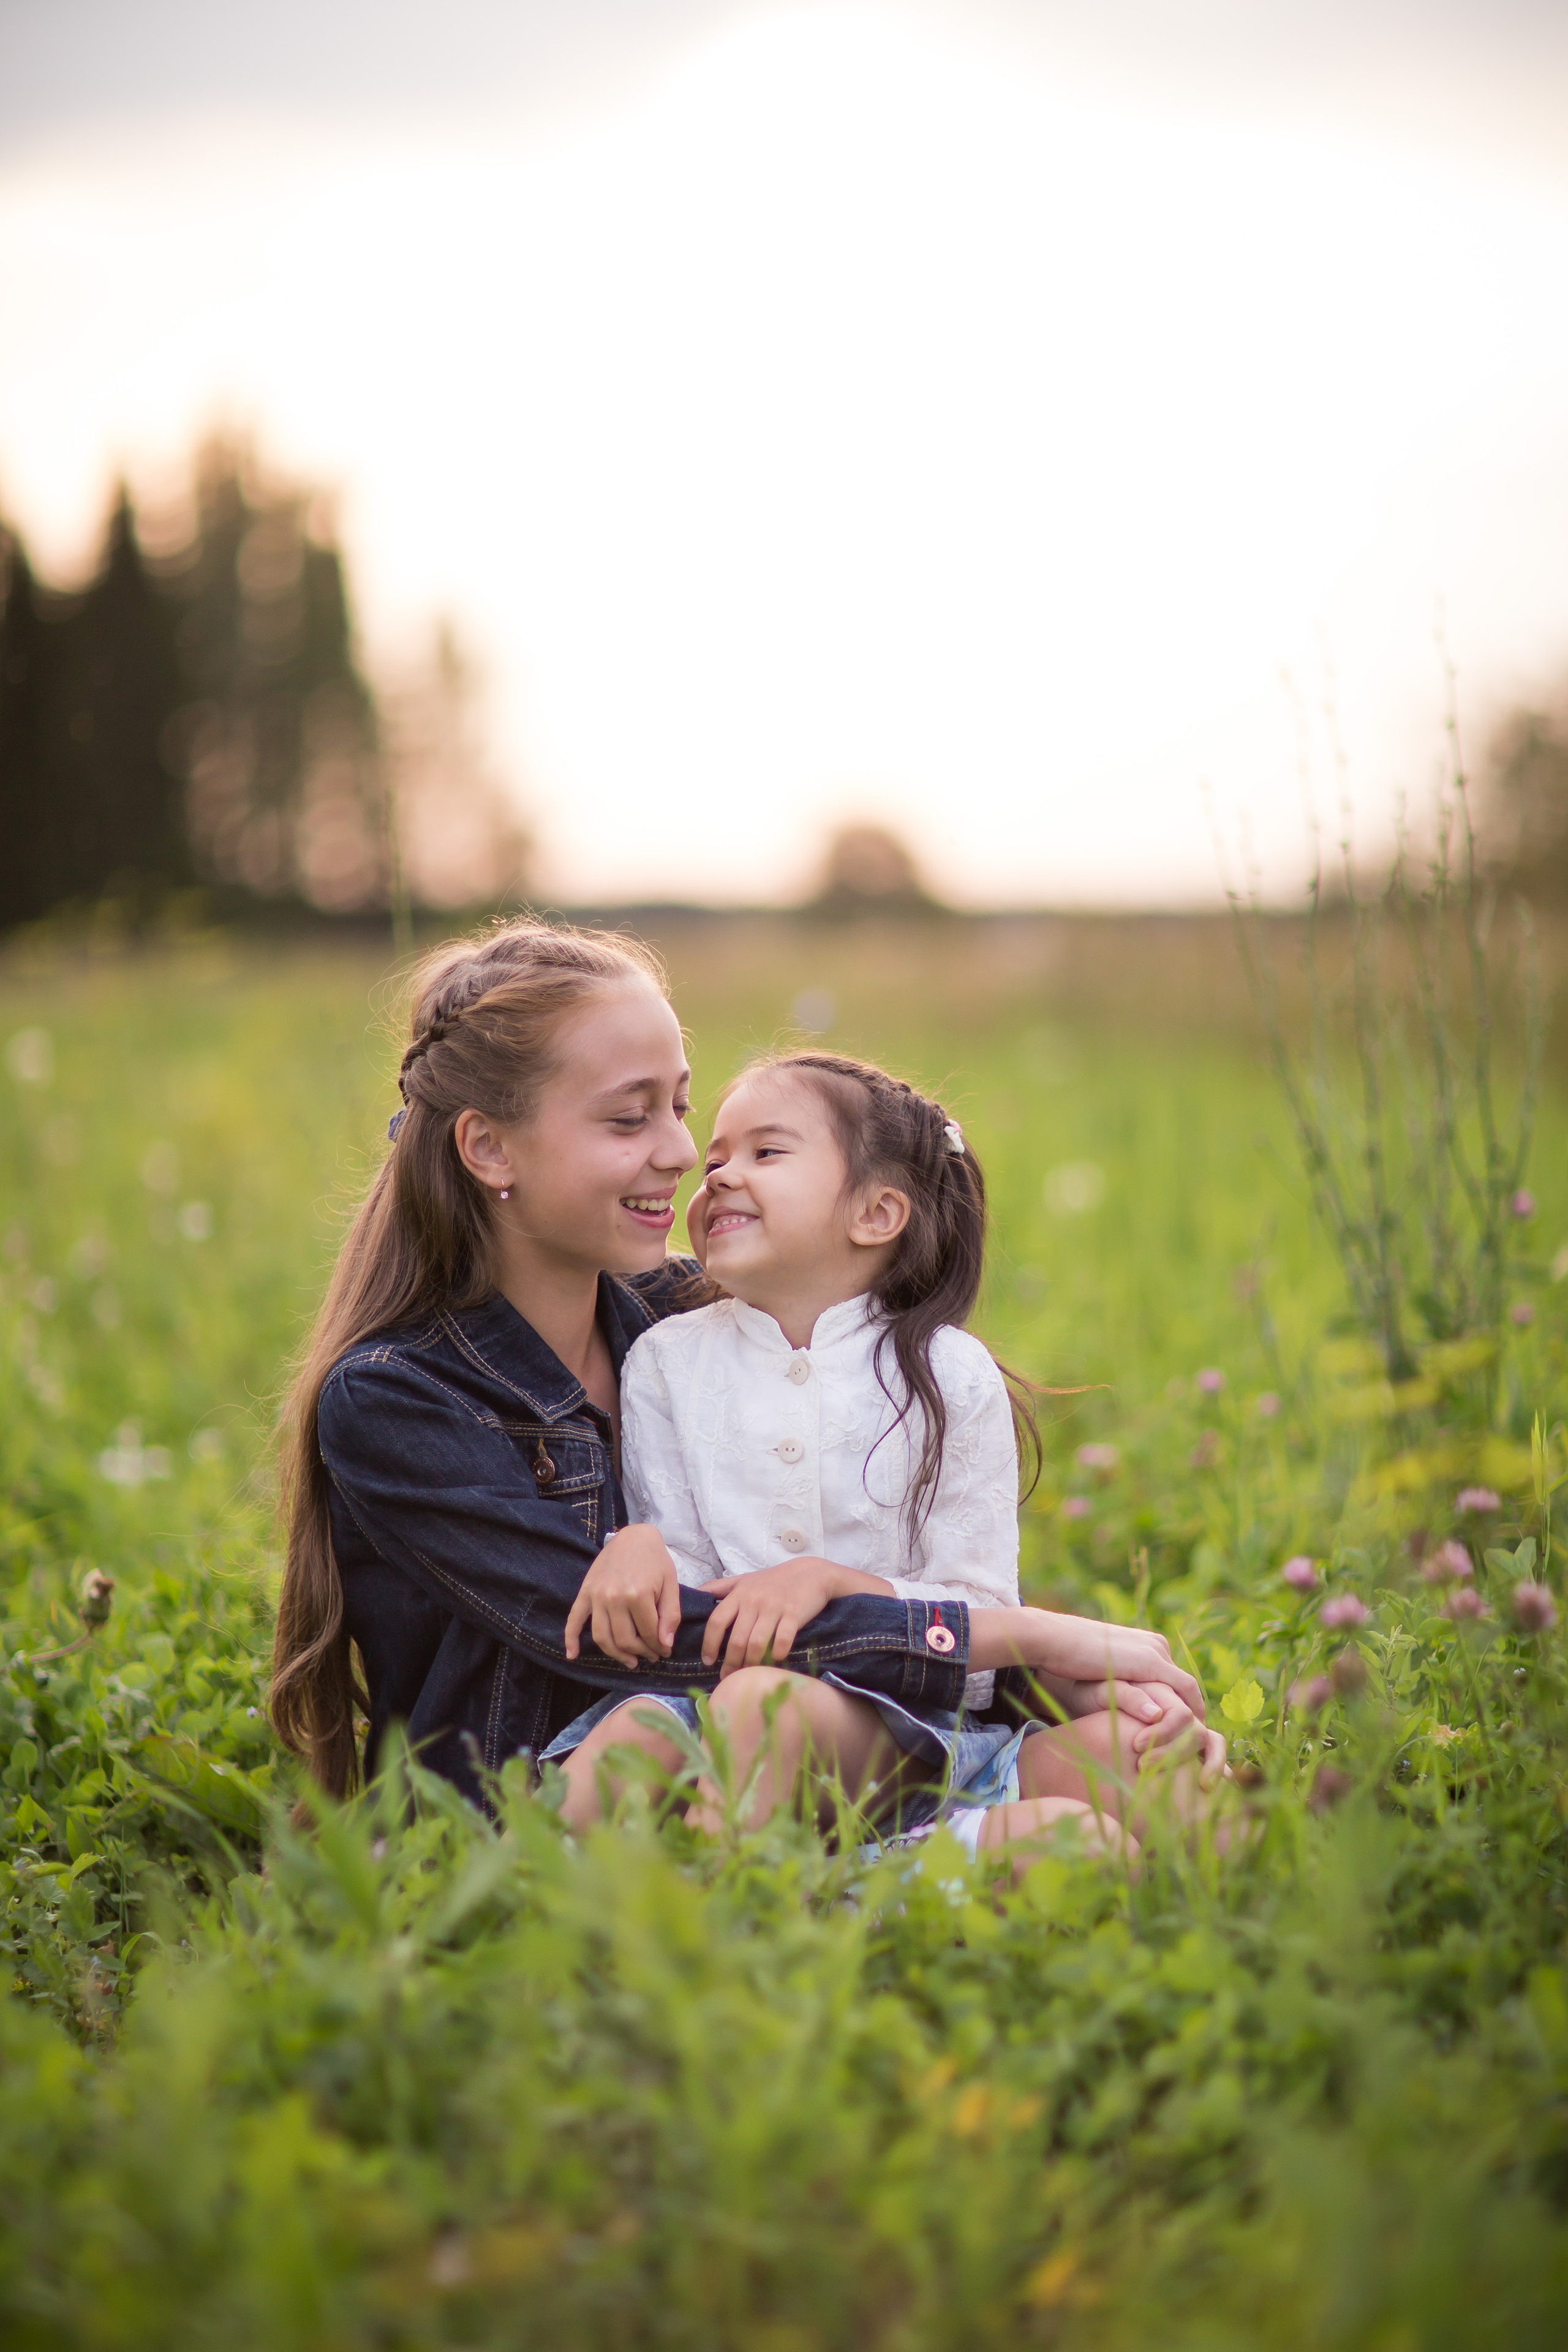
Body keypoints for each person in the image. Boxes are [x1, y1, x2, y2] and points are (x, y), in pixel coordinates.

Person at [270, 918, 1215, 1853]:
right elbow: (662, 1640)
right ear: (489, 1150)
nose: (686, 1156)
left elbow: (866, 1555)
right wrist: (1036, 1643)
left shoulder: (690, 1317)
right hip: (561, 1804)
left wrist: (1054, 1685)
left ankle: (936, 1840)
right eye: (628, 1116)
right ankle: (904, 1874)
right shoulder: (396, 1400)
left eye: (680, 1107)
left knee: (1157, 1757)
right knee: (723, 1738)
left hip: (786, 1740)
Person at [546, 1050, 1224, 1866]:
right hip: (726, 1709)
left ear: (876, 1213)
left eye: (765, 1153)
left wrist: (843, 1589)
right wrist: (643, 1552)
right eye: (716, 1157)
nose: (717, 1174)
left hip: (920, 1732)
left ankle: (908, 1854)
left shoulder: (946, 1371)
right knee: (718, 1719)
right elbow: (690, 1608)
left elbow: (978, 1616)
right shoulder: (664, 1362)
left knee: (1158, 1762)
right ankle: (808, 1896)